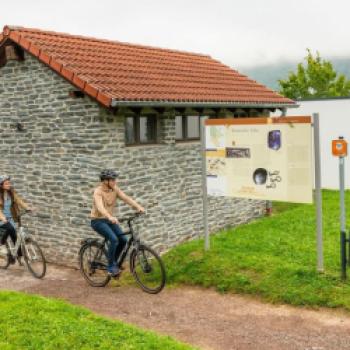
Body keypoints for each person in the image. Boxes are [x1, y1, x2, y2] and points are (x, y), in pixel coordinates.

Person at [90, 169, 145, 277]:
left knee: (123, 240)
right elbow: (100, 208)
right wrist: (110, 217)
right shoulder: (98, 192)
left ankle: (113, 261)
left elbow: (126, 198)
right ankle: (111, 267)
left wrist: (138, 207)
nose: (115, 182)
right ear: (105, 181)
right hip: (97, 221)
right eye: (113, 180)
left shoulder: (114, 189)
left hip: (109, 220)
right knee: (114, 239)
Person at [0, 175, 33, 263]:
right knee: (9, 228)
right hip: (1, 218)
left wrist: (27, 207)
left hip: (10, 217)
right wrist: (3, 218)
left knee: (15, 236)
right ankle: (1, 244)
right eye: (6, 184)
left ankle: (18, 256)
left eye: (9, 183)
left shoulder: (11, 192)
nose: (9, 185)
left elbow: (18, 200)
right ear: (1, 185)